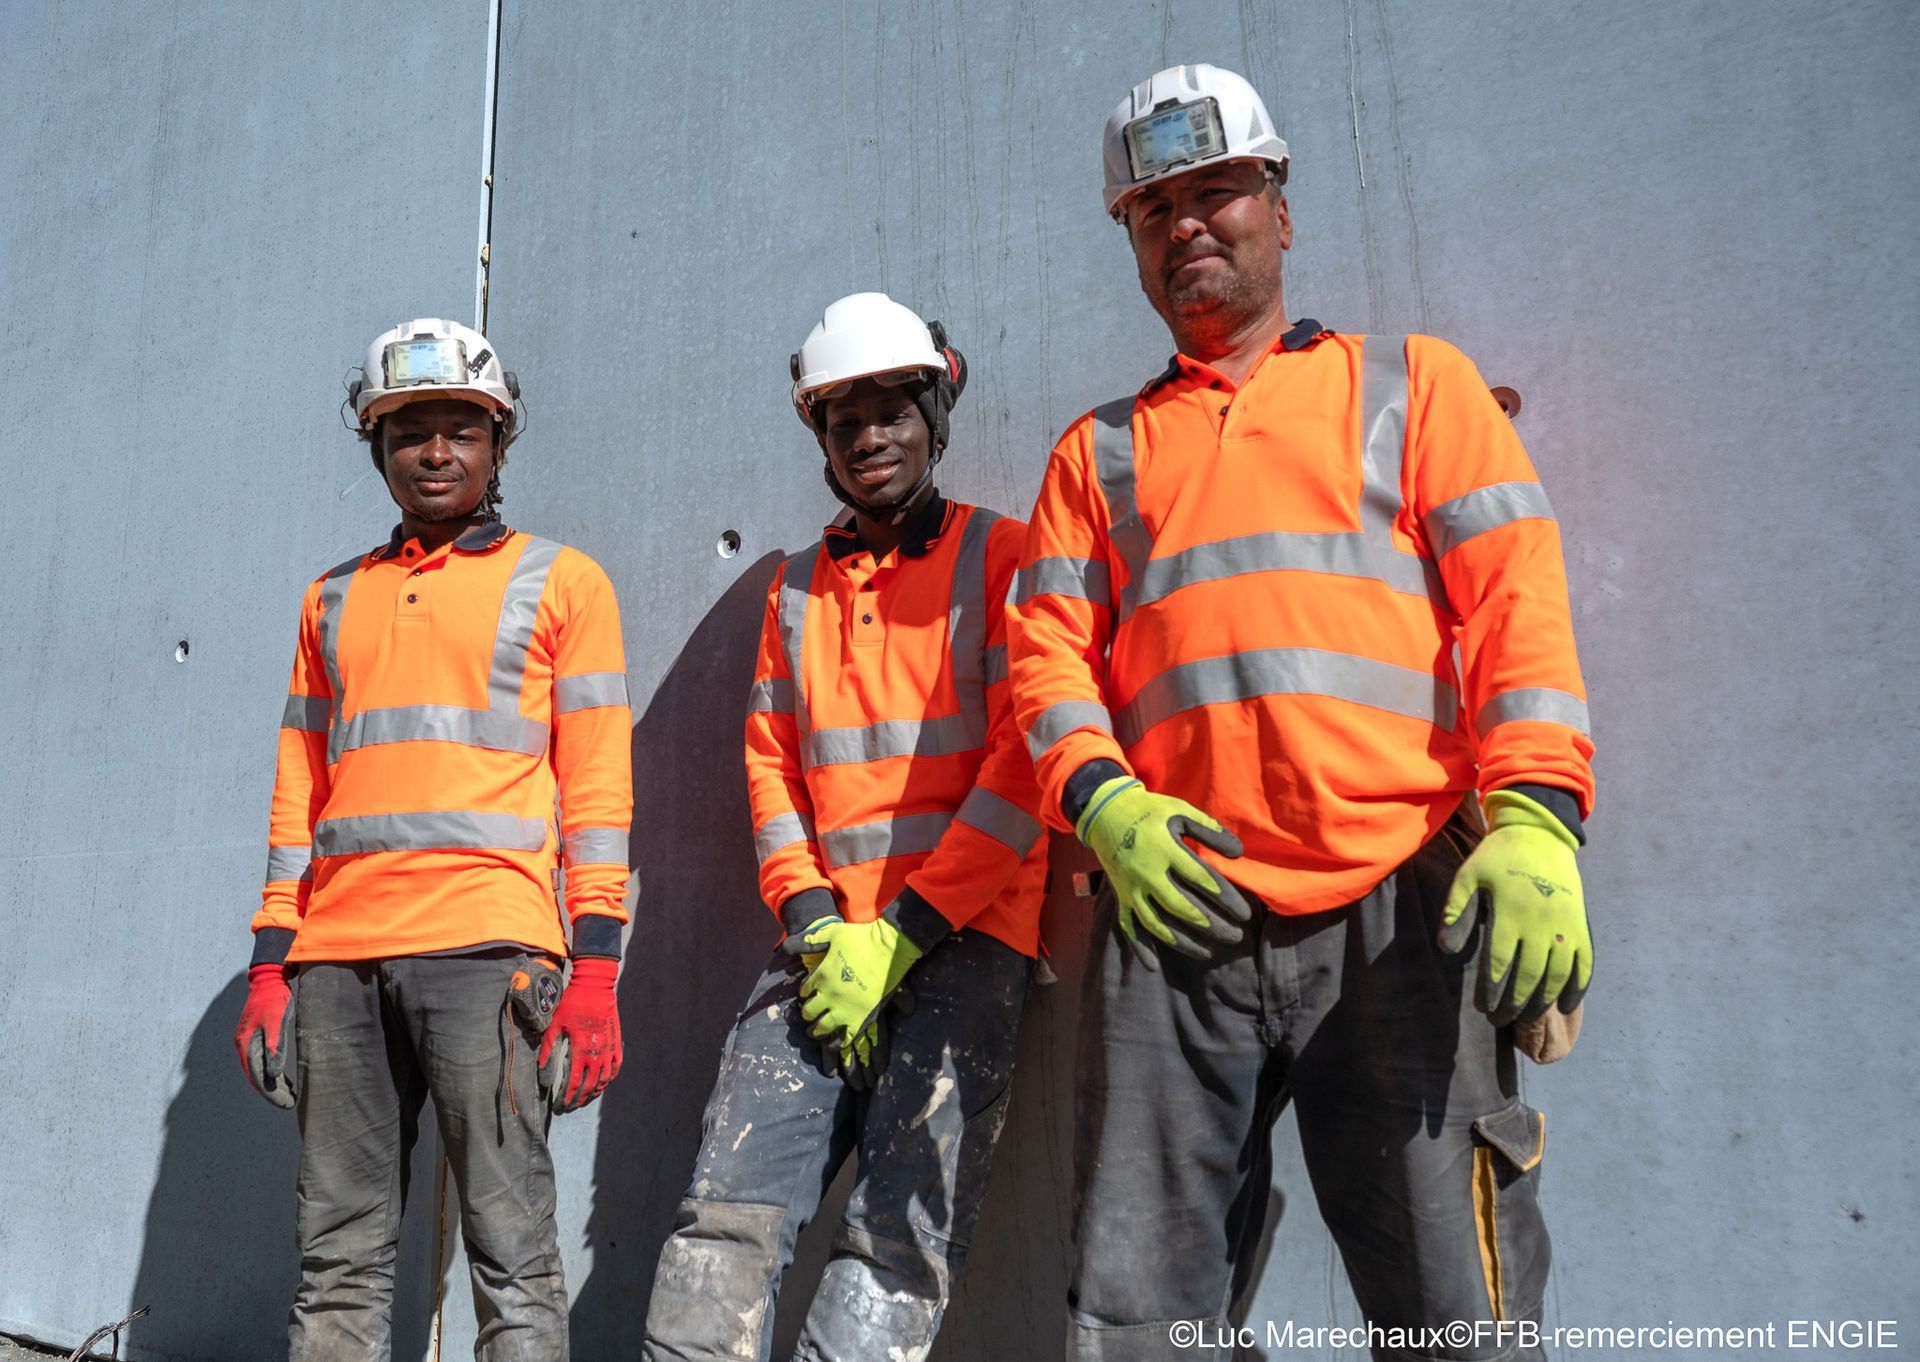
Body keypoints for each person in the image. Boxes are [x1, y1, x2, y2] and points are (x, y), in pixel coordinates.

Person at [1006, 65, 1596, 1361]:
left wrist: (1541, 818)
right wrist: (1106, 810)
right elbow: (1047, 663)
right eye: (1153, 208)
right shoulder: (1096, 455)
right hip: (1179, 914)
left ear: (1281, 205)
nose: (1187, 225)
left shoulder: (1414, 389)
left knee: (1454, 1312)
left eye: (1217, 190)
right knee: (1144, 1317)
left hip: (1406, 905)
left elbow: (1516, 610)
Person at [641, 293, 1047, 1361]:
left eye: (891, 410)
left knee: (895, 1248)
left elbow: (1025, 765)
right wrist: (821, 929)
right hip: (823, 953)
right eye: (842, 417)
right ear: (819, 435)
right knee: (721, 1228)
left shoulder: (1004, 560)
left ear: (935, 413)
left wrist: (901, 935)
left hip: (964, 943)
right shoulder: (792, 592)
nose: (869, 435)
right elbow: (770, 770)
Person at [233, 317, 633, 1360]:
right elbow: (298, 795)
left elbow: (598, 788)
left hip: (490, 955)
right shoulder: (329, 601)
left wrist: (595, 969)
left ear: (501, 445)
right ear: (378, 448)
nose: (438, 452)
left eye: (464, 429)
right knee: (338, 1259)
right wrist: (272, 963)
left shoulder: (564, 583)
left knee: (514, 1259)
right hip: (335, 966)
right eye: (411, 432)